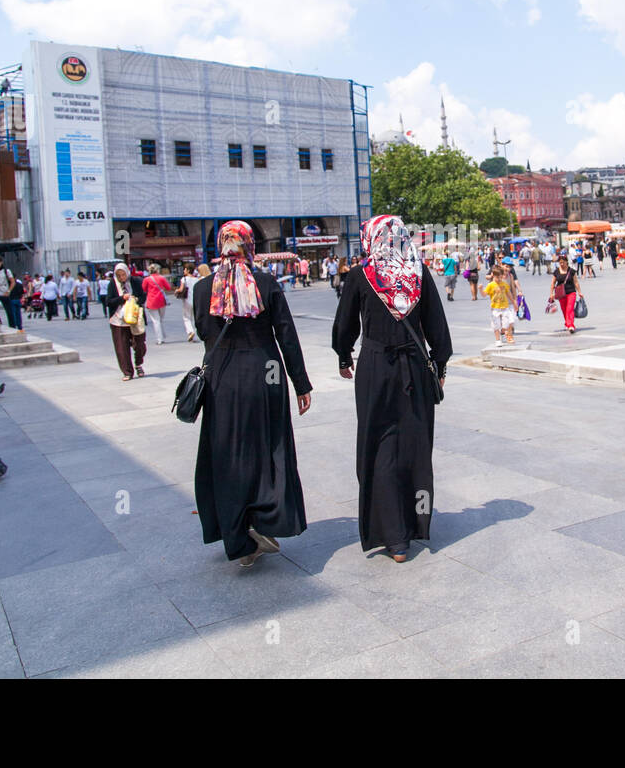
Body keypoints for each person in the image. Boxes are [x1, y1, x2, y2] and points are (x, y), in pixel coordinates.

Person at [190, 221, 312, 568]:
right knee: (268, 448)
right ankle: (265, 520)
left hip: (222, 381)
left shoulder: (202, 289)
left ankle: (238, 533)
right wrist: (301, 383)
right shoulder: (267, 283)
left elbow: (202, 330)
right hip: (265, 376)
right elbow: (286, 335)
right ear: (249, 245)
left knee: (227, 453)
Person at [332, 215, 452, 563]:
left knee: (379, 444)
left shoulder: (360, 275)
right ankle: (413, 525)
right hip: (414, 366)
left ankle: (392, 535)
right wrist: (440, 365)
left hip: (374, 367)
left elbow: (344, 325)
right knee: (414, 444)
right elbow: (437, 327)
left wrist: (343, 356)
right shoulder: (418, 273)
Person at [105, 263, 147, 380]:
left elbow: (143, 296)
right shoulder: (113, 284)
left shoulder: (135, 281)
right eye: (119, 275)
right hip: (118, 320)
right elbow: (108, 301)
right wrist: (121, 298)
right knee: (121, 347)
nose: (122, 277)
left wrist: (136, 299)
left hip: (135, 319)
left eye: (123, 275)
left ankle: (138, 363)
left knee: (139, 344)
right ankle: (127, 371)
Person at [483, 264, 518, 346]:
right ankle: (498, 340)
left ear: (502, 276)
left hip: (505, 307)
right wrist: (481, 289)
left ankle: (504, 331)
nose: (498, 279)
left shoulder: (504, 284)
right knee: (496, 325)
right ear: (493, 276)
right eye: (496, 277)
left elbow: (509, 294)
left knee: (506, 323)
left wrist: (514, 302)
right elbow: (484, 294)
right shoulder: (491, 285)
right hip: (495, 308)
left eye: (499, 277)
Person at [548, 254, 580, 333]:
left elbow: (576, 282)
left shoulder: (571, 271)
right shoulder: (556, 271)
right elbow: (553, 283)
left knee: (570, 308)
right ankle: (567, 323)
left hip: (571, 292)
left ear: (566, 262)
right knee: (564, 309)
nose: (561, 264)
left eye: (563, 262)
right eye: (560, 262)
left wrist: (580, 292)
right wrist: (551, 293)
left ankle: (571, 325)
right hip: (561, 294)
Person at [143, 263, 171, 344]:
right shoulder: (161, 278)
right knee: (161, 320)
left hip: (151, 301)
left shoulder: (147, 279)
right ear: (158, 270)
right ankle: (162, 336)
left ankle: (159, 339)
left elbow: (144, 289)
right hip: (161, 301)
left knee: (156, 320)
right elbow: (168, 288)